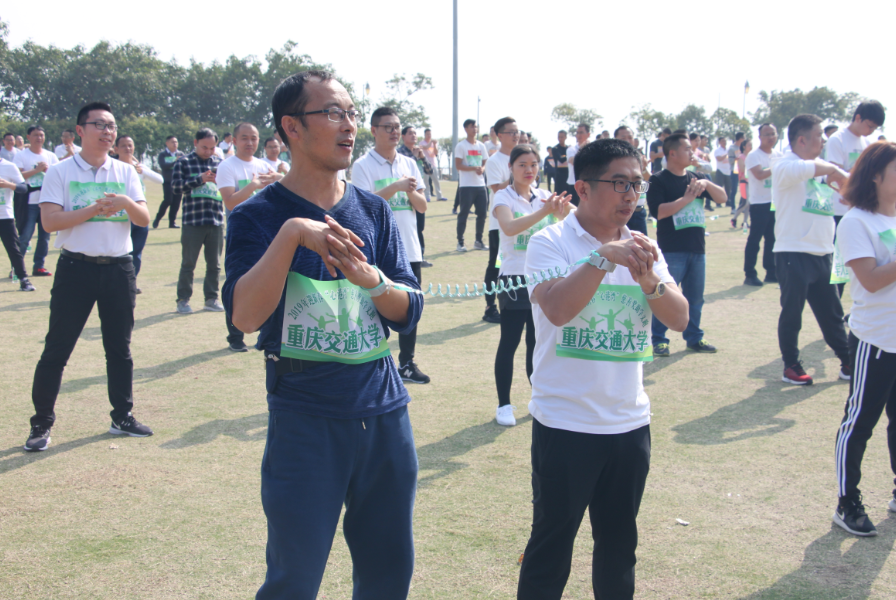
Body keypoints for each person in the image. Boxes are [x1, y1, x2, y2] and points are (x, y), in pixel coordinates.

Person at [223, 70, 422, 599]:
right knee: (294, 579)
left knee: (388, 574)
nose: (350, 126)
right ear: (291, 126)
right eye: (333, 113)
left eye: (352, 114)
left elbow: (407, 309)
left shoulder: (373, 209)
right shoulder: (258, 217)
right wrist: (292, 236)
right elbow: (244, 317)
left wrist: (372, 280)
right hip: (305, 418)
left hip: (384, 414)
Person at [518, 138, 688, 599]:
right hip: (565, 422)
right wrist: (599, 258)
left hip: (629, 423)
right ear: (583, 188)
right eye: (619, 183)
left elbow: (679, 317)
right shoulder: (547, 242)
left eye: (637, 183)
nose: (631, 194)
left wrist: (650, 280)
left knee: (618, 547)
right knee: (551, 548)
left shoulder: (643, 246)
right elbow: (556, 309)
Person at [24, 101, 153, 452]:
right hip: (75, 269)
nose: (108, 131)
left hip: (119, 269)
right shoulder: (60, 171)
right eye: (99, 125)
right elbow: (50, 222)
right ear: (81, 131)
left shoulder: (125, 171)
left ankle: (122, 417)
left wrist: (126, 202)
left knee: (120, 349)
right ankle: (41, 425)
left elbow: (143, 219)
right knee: (57, 349)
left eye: (112, 126)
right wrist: (94, 209)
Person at [831, 141, 896, 537]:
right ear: (875, 175)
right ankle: (847, 501)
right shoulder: (856, 221)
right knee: (859, 421)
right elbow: (870, 281)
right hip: (875, 339)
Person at [492, 144, 572, 427]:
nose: (529, 170)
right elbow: (510, 228)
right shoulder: (502, 196)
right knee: (510, 341)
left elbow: (572, 220)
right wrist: (545, 211)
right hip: (513, 278)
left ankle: (540, 397)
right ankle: (503, 404)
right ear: (511, 168)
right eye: (522, 164)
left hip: (545, 278)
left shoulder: (544, 197)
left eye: (534, 164)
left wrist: (561, 211)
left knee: (537, 343)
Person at [771, 114, 851, 385]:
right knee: (792, 312)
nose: (824, 140)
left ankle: (848, 361)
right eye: (819, 135)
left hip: (822, 252)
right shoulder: (784, 164)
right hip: (793, 251)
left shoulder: (820, 170)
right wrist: (833, 170)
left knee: (833, 314)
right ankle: (791, 365)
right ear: (802, 139)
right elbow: (804, 170)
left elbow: (842, 191)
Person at [353, 108, 430, 385]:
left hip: (409, 247)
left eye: (397, 126)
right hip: (378, 249)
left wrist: (409, 190)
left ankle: (407, 363)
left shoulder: (409, 164)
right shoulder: (362, 165)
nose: (394, 132)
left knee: (411, 306)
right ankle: (376, 363)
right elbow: (362, 205)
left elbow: (421, 206)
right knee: (376, 307)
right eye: (388, 127)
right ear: (373, 131)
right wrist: (395, 187)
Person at [647, 132, 727, 357]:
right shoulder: (658, 179)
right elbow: (659, 212)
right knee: (664, 295)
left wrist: (706, 183)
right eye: (687, 149)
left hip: (697, 249)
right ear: (672, 153)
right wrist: (686, 200)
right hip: (672, 250)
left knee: (695, 298)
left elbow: (722, 198)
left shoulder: (697, 177)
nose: (692, 153)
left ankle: (695, 338)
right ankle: (659, 340)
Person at [217, 123, 283, 351]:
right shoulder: (227, 166)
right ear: (234, 141)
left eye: (254, 138)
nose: (250, 142)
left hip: (268, 234)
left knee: (269, 283)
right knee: (239, 285)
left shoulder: (264, 165)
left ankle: (267, 333)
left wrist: (279, 179)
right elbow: (230, 201)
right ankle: (235, 338)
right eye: (244, 138)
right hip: (241, 235)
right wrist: (254, 185)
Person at [826, 101, 886, 297]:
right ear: (858, 117)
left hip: (863, 210)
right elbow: (833, 175)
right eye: (869, 125)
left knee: (863, 263)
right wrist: (850, 193)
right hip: (840, 211)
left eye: (875, 128)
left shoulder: (868, 144)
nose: (871, 131)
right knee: (840, 267)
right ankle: (836, 307)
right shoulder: (838, 140)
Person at [171, 128, 224, 316]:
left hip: (216, 220)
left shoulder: (220, 163)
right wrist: (199, 179)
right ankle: (183, 300)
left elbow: (227, 187)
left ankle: (211, 298)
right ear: (195, 143)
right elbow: (176, 187)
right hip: (193, 221)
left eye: (212, 148)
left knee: (215, 265)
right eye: (204, 147)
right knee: (188, 263)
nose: (208, 151)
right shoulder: (183, 162)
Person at [483, 117, 522, 325]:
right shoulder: (494, 161)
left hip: (523, 225)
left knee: (516, 263)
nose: (516, 135)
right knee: (497, 265)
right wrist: (517, 174)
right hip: (500, 226)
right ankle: (490, 306)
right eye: (510, 132)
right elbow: (497, 189)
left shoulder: (524, 157)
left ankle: (513, 303)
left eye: (517, 131)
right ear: (499, 136)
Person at [113, 134, 163, 294]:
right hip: (120, 217)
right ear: (115, 149)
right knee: (120, 251)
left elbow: (160, 180)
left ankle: (130, 282)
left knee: (137, 253)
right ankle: (117, 282)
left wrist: (142, 171)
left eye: (130, 145)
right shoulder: (112, 168)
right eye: (123, 146)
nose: (128, 149)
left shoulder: (139, 167)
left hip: (140, 216)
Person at [14, 125, 58, 277]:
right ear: (28, 137)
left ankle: (39, 266)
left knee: (44, 236)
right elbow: (18, 178)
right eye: (35, 135)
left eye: (41, 135)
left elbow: (58, 176)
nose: (39, 138)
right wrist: (37, 170)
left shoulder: (51, 156)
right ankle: (17, 268)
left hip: (47, 201)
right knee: (25, 235)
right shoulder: (21, 155)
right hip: (29, 201)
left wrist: (48, 172)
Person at [743, 124, 782, 286]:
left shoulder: (779, 155)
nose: (771, 137)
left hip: (776, 203)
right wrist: (777, 167)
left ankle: (771, 272)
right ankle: (750, 273)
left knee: (772, 239)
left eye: (773, 133)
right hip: (759, 203)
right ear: (760, 137)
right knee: (755, 239)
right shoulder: (754, 155)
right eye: (767, 134)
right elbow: (759, 175)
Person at [396, 125, 434, 269]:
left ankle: (420, 256)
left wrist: (423, 157)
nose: (413, 136)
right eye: (410, 133)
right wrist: (415, 157)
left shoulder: (419, 152)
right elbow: (403, 170)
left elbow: (430, 171)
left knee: (420, 227)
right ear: (403, 136)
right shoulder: (400, 153)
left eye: (415, 133)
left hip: (419, 193)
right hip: (404, 196)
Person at [0, 155, 35, 291]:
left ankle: (24, 280)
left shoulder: (9, 166)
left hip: (4, 216)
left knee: (14, 249)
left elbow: (24, 188)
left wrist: (8, 185)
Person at [454, 119, 489, 252]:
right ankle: (460, 242)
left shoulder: (481, 146)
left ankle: (478, 241)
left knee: (482, 214)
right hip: (466, 186)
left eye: (475, 126)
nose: (474, 129)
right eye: (471, 127)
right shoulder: (461, 146)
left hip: (481, 185)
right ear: (465, 129)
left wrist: (483, 169)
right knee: (463, 214)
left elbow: (485, 162)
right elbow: (458, 165)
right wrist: (474, 167)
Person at [614, 126, 650, 235]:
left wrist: (643, 168)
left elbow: (649, 179)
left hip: (638, 211)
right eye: (623, 137)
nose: (627, 140)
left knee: (641, 247)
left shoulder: (639, 157)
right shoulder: (611, 160)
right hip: (619, 210)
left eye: (630, 137)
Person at [152, 136, 185, 229]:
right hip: (167, 182)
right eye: (172, 142)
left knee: (176, 203)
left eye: (176, 142)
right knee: (168, 200)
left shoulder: (181, 154)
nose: (175, 144)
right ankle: (157, 219)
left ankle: (172, 222)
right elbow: (163, 166)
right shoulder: (162, 155)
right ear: (167, 143)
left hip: (178, 182)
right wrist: (175, 161)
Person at [566, 123, 592, 207]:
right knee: (574, 208)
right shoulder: (571, 149)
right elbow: (573, 162)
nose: (578, 135)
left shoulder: (594, 150)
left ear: (588, 134)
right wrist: (582, 148)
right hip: (573, 183)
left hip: (589, 183)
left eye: (581, 132)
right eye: (577, 133)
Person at [419, 128, 446, 201]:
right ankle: (427, 197)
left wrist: (434, 144)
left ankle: (439, 196)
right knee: (426, 182)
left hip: (433, 164)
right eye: (427, 134)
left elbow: (436, 153)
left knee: (436, 181)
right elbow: (426, 147)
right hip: (424, 164)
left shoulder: (433, 144)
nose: (429, 135)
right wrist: (431, 142)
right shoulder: (422, 143)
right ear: (424, 135)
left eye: (430, 134)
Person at [731, 139, 751, 229]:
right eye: (749, 145)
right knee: (745, 203)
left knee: (749, 203)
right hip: (743, 182)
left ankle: (745, 222)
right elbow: (742, 170)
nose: (751, 147)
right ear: (744, 147)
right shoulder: (741, 157)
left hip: (751, 182)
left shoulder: (751, 156)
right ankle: (734, 218)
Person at [714, 137, 732, 210]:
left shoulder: (729, 150)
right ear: (719, 142)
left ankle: (728, 202)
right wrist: (726, 154)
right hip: (720, 171)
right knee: (719, 188)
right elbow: (719, 159)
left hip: (728, 171)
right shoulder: (717, 150)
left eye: (725, 140)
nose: (724, 142)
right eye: (722, 141)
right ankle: (718, 203)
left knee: (728, 188)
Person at [552, 130, 570, 197]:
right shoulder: (555, 149)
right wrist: (570, 155)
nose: (560, 139)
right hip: (559, 175)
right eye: (559, 137)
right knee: (559, 195)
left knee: (569, 194)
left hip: (568, 175)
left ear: (565, 137)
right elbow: (561, 160)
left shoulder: (568, 148)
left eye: (562, 137)